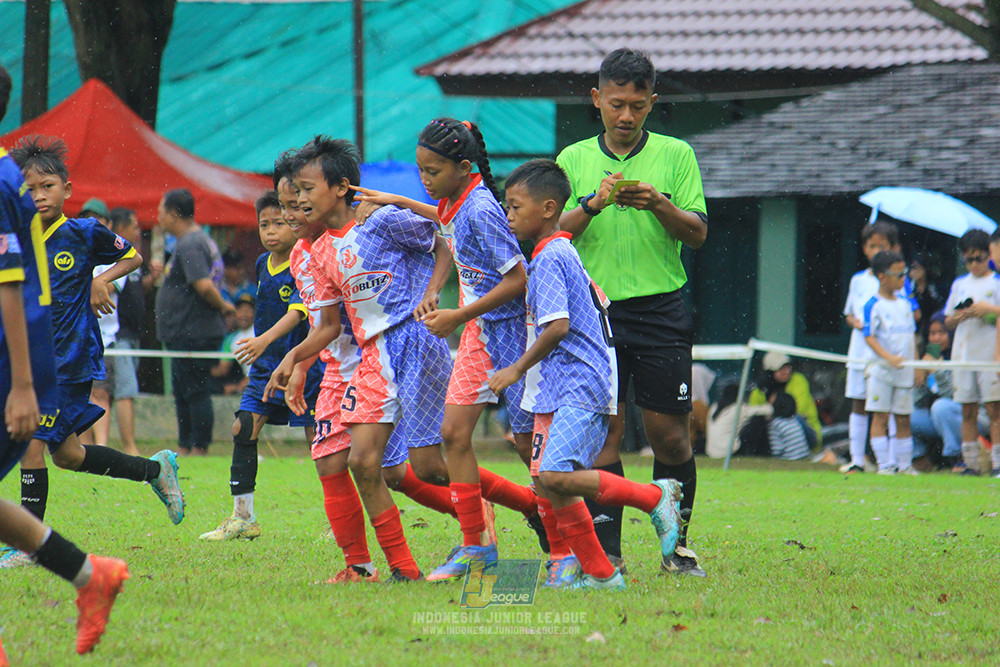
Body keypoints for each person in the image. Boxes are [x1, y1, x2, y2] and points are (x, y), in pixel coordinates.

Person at [351, 117, 543, 580]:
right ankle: (477, 547)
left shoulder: (480, 208)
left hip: (510, 332)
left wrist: (459, 314)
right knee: (452, 438)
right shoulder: (457, 199)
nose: (425, 179)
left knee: (527, 446)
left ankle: (566, 544)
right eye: (420, 170)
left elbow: (518, 280)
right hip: (478, 333)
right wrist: (396, 199)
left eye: (432, 172)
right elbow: (444, 217)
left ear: (462, 166)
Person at [267, 137, 460, 582]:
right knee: (358, 463)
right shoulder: (310, 254)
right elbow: (328, 323)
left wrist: (432, 292)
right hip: (364, 360)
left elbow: (445, 234)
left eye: (300, 196)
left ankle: (498, 512)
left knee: (417, 466)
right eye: (285, 203)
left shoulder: (378, 221)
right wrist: (297, 360)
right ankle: (387, 567)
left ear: (338, 188)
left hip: (404, 346)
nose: (294, 208)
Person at [489, 158, 682, 590]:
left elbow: (557, 327)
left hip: (579, 383)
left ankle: (655, 497)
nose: (508, 215)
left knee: (556, 475)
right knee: (547, 481)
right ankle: (601, 575)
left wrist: (514, 370)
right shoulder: (549, 253)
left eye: (515, 206)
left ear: (548, 208)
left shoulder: (553, 256)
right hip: (556, 387)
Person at [555, 47, 707, 576]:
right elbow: (550, 235)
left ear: (652, 103)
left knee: (670, 436)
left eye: (637, 106)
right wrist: (592, 204)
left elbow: (698, 233)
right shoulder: (572, 159)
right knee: (605, 434)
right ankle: (607, 554)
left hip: (662, 309)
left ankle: (677, 547)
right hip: (593, 313)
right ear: (597, 99)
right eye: (616, 103)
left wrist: (660, 203)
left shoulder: (676, 154)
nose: (625, 116)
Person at [1, 136, 183, 569]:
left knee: (31, 446)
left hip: (71, 359)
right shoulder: (16, 240)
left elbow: (135, 257)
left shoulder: (83, 233)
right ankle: (156, 472)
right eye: (31, 189)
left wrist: (101, 280)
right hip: (35, 357)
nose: (40, 196)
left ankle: (27, 549)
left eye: (48, 186)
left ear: (67, 189)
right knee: (68, 456)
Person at [0, 66, 128, 654]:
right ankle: (89, 574)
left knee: (55, 452)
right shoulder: (13, 186)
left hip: (29, 365)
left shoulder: (10, 189)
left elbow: (11, 287)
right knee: (64, 457)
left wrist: (23, 384)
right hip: (27, 364)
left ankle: (82, 571)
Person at [199, 190, 323, 541]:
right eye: (264, 224)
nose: (270, 232)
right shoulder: (261, 265)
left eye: (279, 223)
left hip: (304, 366)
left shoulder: (303, 262)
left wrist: (264, 338)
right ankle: (243, 517)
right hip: (266, 368)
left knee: (322, 446)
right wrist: (263, 347)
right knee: (243, 428)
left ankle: (339, 519)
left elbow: (299, 312)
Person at [154, 188, 236, 456]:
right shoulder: (200, 240)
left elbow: (202, 284)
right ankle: (185, 444)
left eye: (162, 213)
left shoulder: (190, 242)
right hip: (187, 330)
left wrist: (224, 305)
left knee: (194, 390)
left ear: (175, 214)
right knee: (184, 389)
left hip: (194, 331)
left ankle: (198, 446)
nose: (159, 219)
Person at [841, 221, 898, 473]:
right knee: (858, 402)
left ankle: (894, 461)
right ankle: (857, 459)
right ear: (864, 248)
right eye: (871, 245)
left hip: (886, 353)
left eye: (882, 246)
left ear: (893, 248)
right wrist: (860, 323)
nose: (876, 251)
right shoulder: (858, 281)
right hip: (860, 352)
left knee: (889, 407)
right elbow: (849, 314)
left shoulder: (898, 280)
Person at [945, 229, 1000, 476]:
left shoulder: (996, 283)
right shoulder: (960, 284)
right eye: (969, 260)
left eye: (979, 258)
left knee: (994, 408)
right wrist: (960, 315)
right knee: (968, 410)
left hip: (989, 354)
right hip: (963, 354)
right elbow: (947, 320)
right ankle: (970, 463)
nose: (974, 265)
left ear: (989, 254)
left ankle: (998, 462)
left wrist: (986, 312)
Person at [910, 311, 989, 470]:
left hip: (973, 418)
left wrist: (938, 371)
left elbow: (956, 396)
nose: (936, 338)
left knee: (941, 407)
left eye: (942, 333)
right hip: (941, 417)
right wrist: (922, 375)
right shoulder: (931, 356)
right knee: (907, 413)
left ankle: (957, 457)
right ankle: (920, 459)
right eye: (932, 333)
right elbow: (918, 401)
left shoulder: (959, 357)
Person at [863, 250, 917, 474]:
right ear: (882, 276)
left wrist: (915, 367)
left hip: (904, 370)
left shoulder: (905, 303)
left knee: (903, 418)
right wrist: (889, 357)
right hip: (882, 371)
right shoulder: (873, 305)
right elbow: (869, 336)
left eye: (905, 273)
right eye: (898, 274)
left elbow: (911, 336)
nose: (903, 278)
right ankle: (885, 465)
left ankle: (905, 465)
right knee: (881, 415)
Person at [106, 207, 146, 456]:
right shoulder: (116, 256)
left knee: (113, 392)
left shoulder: (132, 257)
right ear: (120, 228)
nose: (138, 231)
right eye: (134, 226)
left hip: (130, 335)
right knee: (124, 391)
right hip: (117, 336)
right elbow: (109, 288)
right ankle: (129, 447)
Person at [749, 351, 822, 449]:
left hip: (804, 431)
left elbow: (795, 411)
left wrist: (770, 411)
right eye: (780, 369)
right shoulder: (760, 389)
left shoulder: (798, 380)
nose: (786, 371)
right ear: (770, 371)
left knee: (791, 421)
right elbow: (752, 412)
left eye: (787, 367)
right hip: (771, 433)